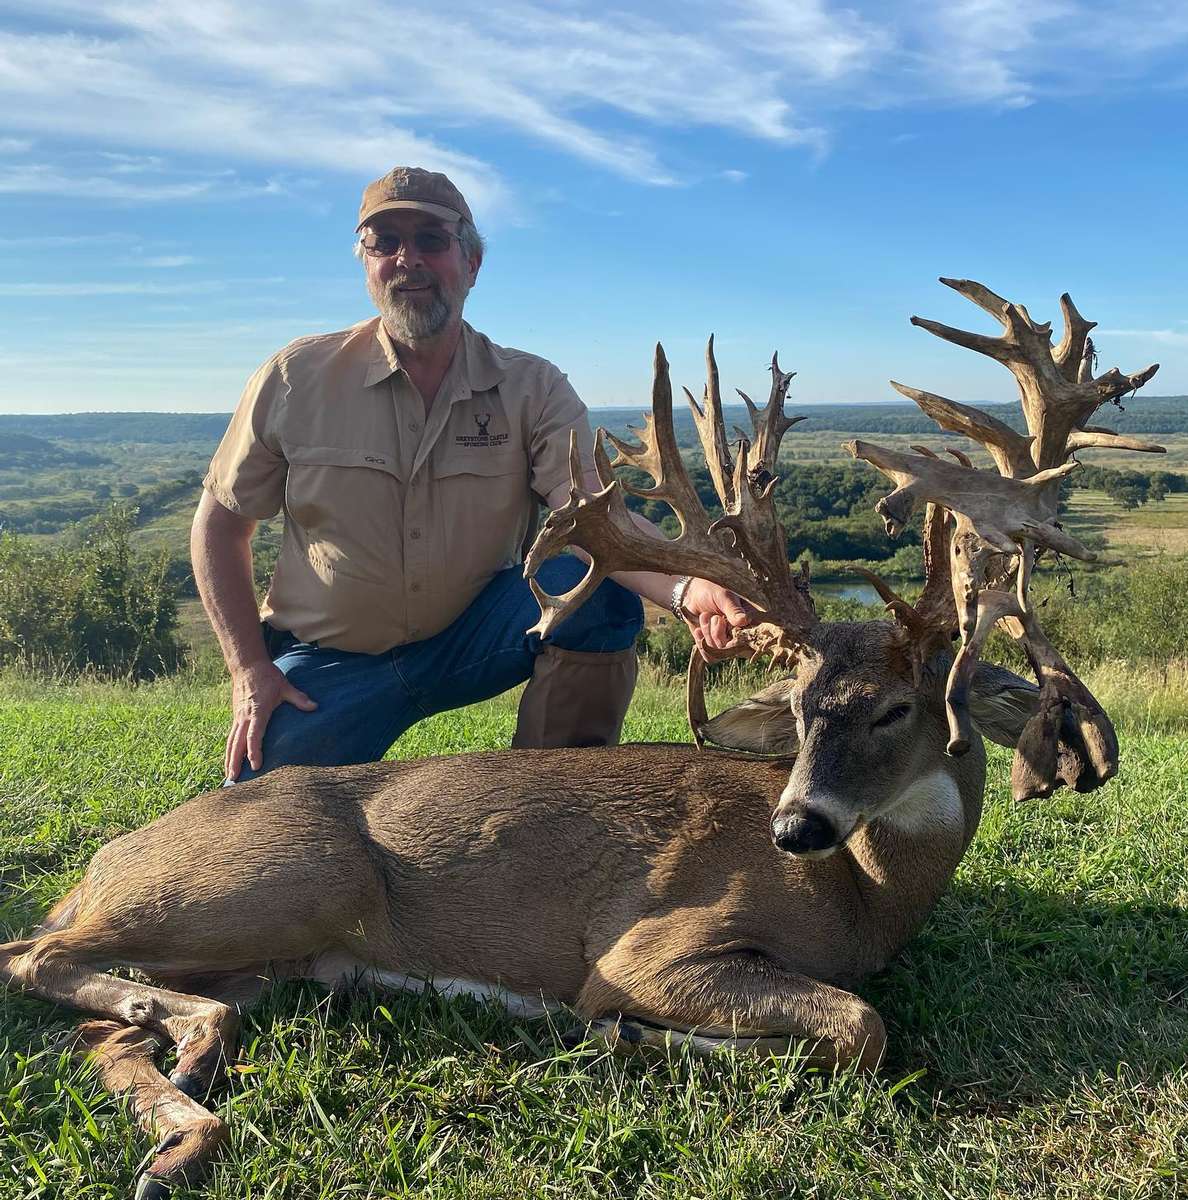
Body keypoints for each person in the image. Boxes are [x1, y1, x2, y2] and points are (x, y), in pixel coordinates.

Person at [192, 167, 753, 782]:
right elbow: (220, 527)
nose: (408, 259)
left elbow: (597, 518)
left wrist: (686, 591)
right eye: (385, 242)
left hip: (474, 636)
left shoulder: (532, 387)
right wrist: (249, 671)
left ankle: (553, 801)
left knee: (598, 590)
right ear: (366, 262)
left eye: (431, 238)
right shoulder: (296, 377)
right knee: (265, 821)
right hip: (329, 665)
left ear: (472, 262)